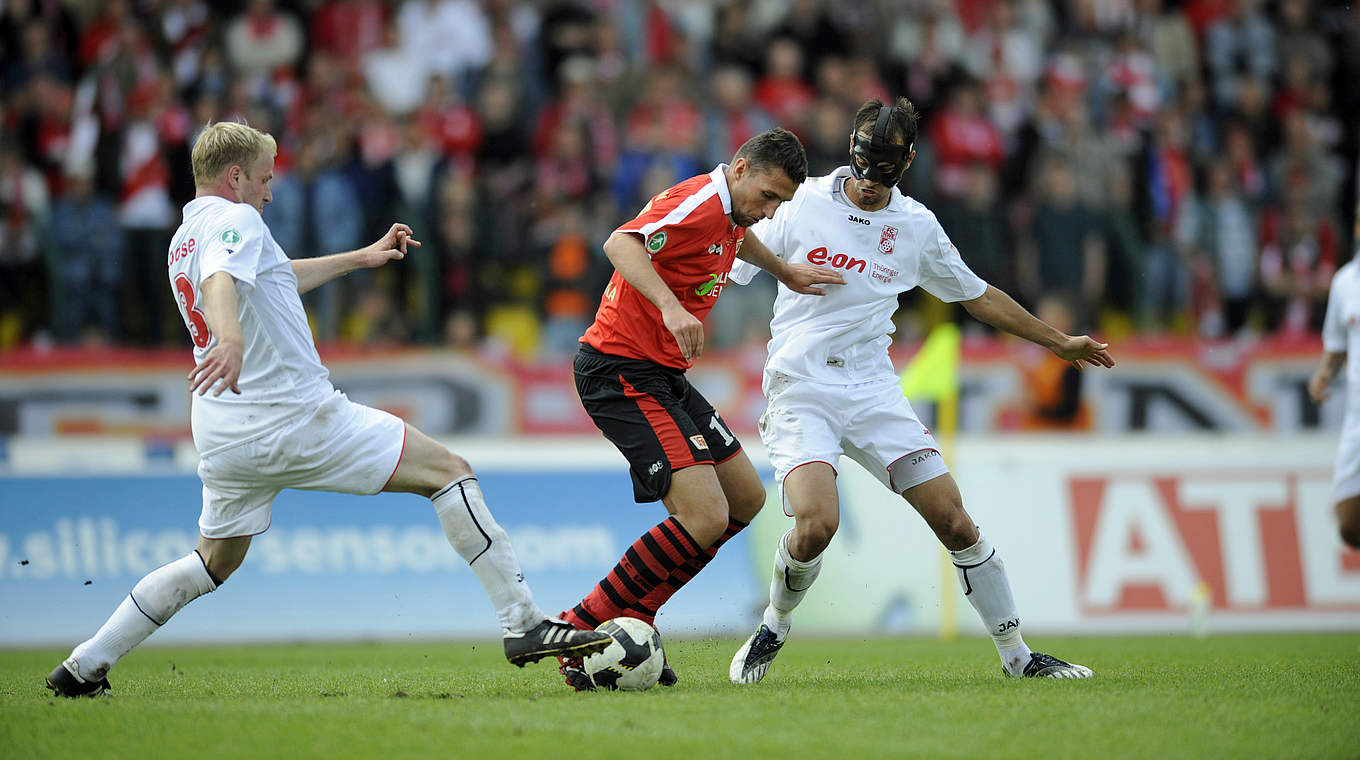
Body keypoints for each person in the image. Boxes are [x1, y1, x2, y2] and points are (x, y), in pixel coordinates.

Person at [44, 121, 611, 698]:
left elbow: (271, 279)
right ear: (234, 176)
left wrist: (360, 258)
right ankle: (524, 624)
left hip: (222, 431)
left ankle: (84, 666)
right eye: (264, 179)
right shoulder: (237, 220)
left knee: (212, 562)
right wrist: (230, 339)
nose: (270, 192)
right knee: (450, 472)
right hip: (292, 417)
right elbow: (221, 282)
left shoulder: (185, 236)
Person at [727, 98, 1115, 684]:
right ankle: (775, 624)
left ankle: (1018, 657)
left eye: (882, 175)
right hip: (801, 383)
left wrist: (1055, 340)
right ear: (854, 157)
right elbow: (731, 251)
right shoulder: (799, 201)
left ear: (904, 165)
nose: (867, 186)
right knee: (815, 525)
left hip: (873, 390)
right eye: (863, 170)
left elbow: (977, 295)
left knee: (955, 520)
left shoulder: (914, 227)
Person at [554, 128, 844, 691]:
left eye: (781, 203)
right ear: (739, 169)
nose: (769, 211)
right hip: (617, 368)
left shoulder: (733, 216)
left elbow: (737, 238)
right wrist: (669, 307)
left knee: (746, 500)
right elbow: (620, 243)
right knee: (706, 516)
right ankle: (580, 625)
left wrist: (785, 272)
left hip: (660, 373)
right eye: (768, 196)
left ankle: (635, 615)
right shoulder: (696, 201)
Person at [1308, 241, 1360, 551]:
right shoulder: (1344, 282)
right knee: (1350, 524)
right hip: (1357, 419)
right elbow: (1337, 345)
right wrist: (1323, 373)